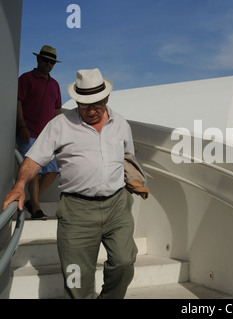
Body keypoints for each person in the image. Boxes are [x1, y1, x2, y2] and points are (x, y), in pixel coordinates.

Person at [3, 68, 138, 299]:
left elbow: (128, 158)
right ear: (76, 100)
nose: (91, 110)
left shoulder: (121, 124)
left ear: (106, 98)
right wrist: (19, 185)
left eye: (96, 103)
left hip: (117, 205)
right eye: (84, 104)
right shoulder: (60, 125)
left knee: (124, 263)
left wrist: (133, 183)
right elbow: (34, 158)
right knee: (76, 277)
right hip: (77, 210)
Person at [16, 45, 62, 220]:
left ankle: (32, 202)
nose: (49, 64)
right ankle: (35, 208)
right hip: (28, 132)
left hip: (47, 137)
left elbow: (58, 111)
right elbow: (17, 102)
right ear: (38, 59)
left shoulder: (55, 85)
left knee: (53, 170)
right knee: (34, 170)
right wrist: (21, 126)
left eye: (52, 62)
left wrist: (60, 135)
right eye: (46, 60)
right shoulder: (26, 79)